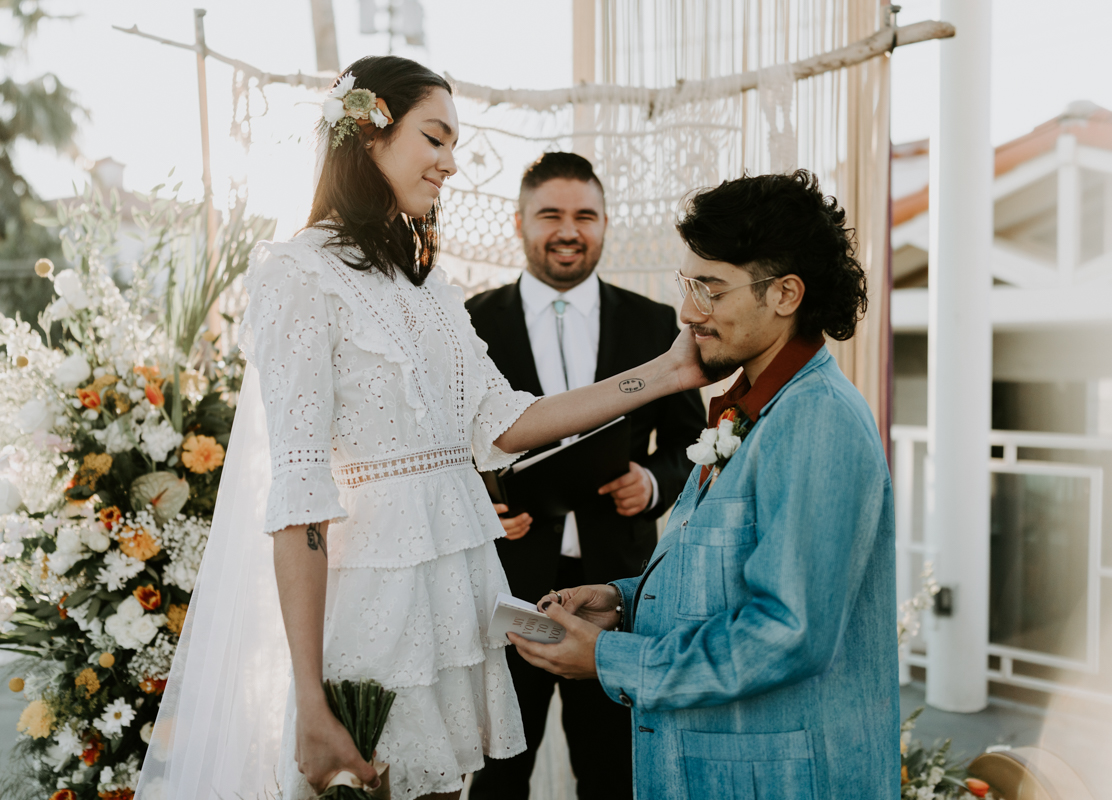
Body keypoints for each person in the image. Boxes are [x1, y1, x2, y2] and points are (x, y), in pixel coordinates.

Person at [136, 56, 710, 800]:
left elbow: (510, 422)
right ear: (369, 134)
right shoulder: (297, 274)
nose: (451, 162)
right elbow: (300, 497)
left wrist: (667, 373)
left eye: (454, 143)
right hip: (373, 610)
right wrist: (309, 697)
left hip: (455, 604)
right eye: (435, 138)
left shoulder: (431, 287)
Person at [509, 171, 899, 800]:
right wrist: (624, 599)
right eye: (688, 286)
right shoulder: (751, 407)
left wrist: (610, 659)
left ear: (786, 294)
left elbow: (786, 633)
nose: (690, 312)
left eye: (711, 290)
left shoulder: (816, 418)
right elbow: (728, 576)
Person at [465, 153, 704, 800]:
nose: (569, 230)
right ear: (519, 223)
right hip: (505, 585)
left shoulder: (659, 325)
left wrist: (653, 483)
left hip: (619, 592)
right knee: (497, 777)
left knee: (614, 774)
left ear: (604, 225)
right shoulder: (469, 324)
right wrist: (476, 507)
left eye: (585, 216)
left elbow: (694, 444)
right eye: (551, 215)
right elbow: (443, 453)